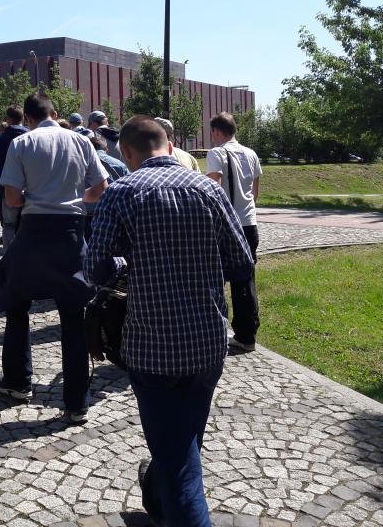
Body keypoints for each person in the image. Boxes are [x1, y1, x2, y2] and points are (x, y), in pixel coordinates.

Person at [84, 116, 253, 527]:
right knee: (184, 441)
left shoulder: (121, 192)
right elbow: (241, 262)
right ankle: (160, 502)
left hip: (151, 344)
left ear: (126, 152)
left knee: (176, 458)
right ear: (170, 144)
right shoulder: (208, 189)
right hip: (206, 341)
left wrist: (127, 264)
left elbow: (95, 269)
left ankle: (176, 508)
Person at [0, 93, 108, 424]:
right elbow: (101, 187)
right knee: (73, 317)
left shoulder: (22, 143)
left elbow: (12, 199)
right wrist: (74, 197)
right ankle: (77, 402)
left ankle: (17, 381)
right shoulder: (81, 141)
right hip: (70, 233)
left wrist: (36, 196)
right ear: (55, 114)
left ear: (28, 119)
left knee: (16, 302)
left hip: (34, 232)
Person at [206, 112, 263, 352]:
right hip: (249, 224)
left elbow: (213, 189)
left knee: (214, 279)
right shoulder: (251, 153)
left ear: (216, 131)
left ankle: (212, 331)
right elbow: (255, 193)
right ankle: (247, 335)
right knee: (245, 280)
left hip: (227, 225)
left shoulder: (217, 153)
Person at [0, 106, 29, 249]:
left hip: (7, 186)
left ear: (8, 119)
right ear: (23, 118)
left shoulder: (3, 137)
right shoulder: (31, 135)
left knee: (8, 224)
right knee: (26, 223)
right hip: (28, 185)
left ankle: (8, 254)